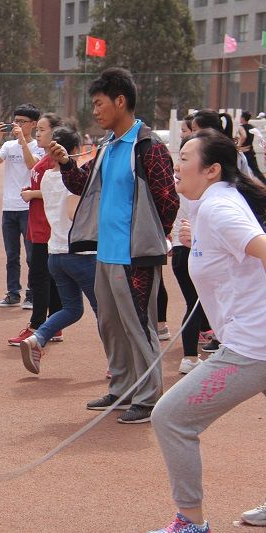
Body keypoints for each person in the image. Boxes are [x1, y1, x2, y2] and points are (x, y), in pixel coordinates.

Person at [147, 128, 266, 533]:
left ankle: (190, 522)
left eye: (184, 157)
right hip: (252, 339)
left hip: (253, 346)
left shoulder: (219, 209)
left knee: (172, 418)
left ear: (212, 169)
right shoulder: (211, 205)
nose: (176, 165)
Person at [52, 68, 178, 424]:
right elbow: (82, 184)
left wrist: (151, 238)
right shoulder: (107, 148)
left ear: (120, 101)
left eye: (99, 103)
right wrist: (64, 162)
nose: (95, 110)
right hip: (104, 253)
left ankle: (150, 397)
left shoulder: (148, 147)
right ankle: (122, 387)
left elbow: (167, 199)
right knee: (110, 324)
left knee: (139, 325)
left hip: (134, 256)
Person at [19, 126, 95, 374]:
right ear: (74, 151)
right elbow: (74, 210)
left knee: (72, 308)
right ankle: (118, 365)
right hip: (80, 254)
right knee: (105, 311)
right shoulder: (71, 178)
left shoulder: (48, 176)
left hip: (56, 252)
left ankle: (38, 338)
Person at [9, 112, 64, 347]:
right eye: (38, 129)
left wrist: (32, 194)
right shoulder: (45, 157)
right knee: (46, 277)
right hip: (37, 223)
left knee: (40, 277)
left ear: (54, 132)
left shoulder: (57, 158)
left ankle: (38, 326)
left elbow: (62, 189)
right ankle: (54, 325)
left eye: (42, 129)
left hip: (46, 226)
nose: (38, 133)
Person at [0, 103, 44, 309]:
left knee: (31, 255)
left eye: (22, 122)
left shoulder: (38, 146)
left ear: (33, 124)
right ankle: (13, 293)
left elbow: (33, 165)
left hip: (28, 208)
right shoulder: (8, 146)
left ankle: (32, 293)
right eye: (16, 121)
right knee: (12, 255)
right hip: (9, 207)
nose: (18, 125)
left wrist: (22, 141)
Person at [171, 114, 212, 375]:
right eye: (180, 157)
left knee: (197, 302)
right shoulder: (191, 188)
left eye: (185, 159)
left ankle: (198, 348)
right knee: (195, 302)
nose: (176, 166)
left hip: (184, 248)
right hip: (185, 249)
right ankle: (189, 356)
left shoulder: (213, 195)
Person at [236, 111, 265, 182]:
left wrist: (238, 145)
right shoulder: (252, 127)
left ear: (242, 118)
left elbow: (244, 136)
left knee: (238, 169)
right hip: (250, 151)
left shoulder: (241, 127)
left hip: (243, 151)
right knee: (256, 171)